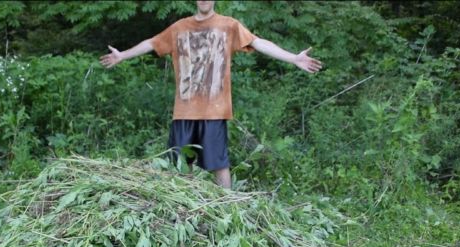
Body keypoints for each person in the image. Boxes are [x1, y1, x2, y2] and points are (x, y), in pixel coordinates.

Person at [100, 0, 322, 189]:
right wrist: (122, 56)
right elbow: (152, 43)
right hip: (185, 113)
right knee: (181, 164)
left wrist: (293, 58)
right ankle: (182, 210)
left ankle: (227, 211)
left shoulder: (228, 25)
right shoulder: (180, 27)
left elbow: (258, 42)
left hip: (214, 112)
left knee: (219, 163)